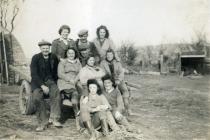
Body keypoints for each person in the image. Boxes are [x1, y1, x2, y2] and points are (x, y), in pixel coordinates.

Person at [30, 40, 62, 131]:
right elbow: (34, 74)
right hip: (38, 82)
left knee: (56, 93)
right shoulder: (35, 58)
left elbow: (56, 71)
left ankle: (55, 118)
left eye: (47, 48)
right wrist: (42, 86)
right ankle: (42, 122)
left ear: (49, 48)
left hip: (50, 81)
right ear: (40, 48)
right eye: (43, 48)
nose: (45, 50)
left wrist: (54, 83)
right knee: (37, 97)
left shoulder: (53, 57)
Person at [100, 49, 132, 115]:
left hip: (118, 80)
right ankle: (112, 107)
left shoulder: (117, 62)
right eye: (108, 55)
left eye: (111, 54)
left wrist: (119, 80)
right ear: (106, 55)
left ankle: (128, 108)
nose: (109, 56)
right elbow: (102, 73)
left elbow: (121, 73)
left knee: (124, 90)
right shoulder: (103, 63)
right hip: (108, 80)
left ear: (113, 55)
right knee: (107, 91)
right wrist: (109, 80)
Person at [57, 48, 81, 127]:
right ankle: (71, 114)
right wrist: (69, 79)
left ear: (75, 54)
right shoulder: (63, 62)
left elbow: (80, 73)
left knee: (83, 89)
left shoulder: (78, 62)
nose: (71, 55)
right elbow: (60, 74)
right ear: (66, 54)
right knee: (71, 94)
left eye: (72, 53)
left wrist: (75, 79)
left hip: (75, 80)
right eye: (69, 53)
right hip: (65, 80)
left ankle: (80, 112)